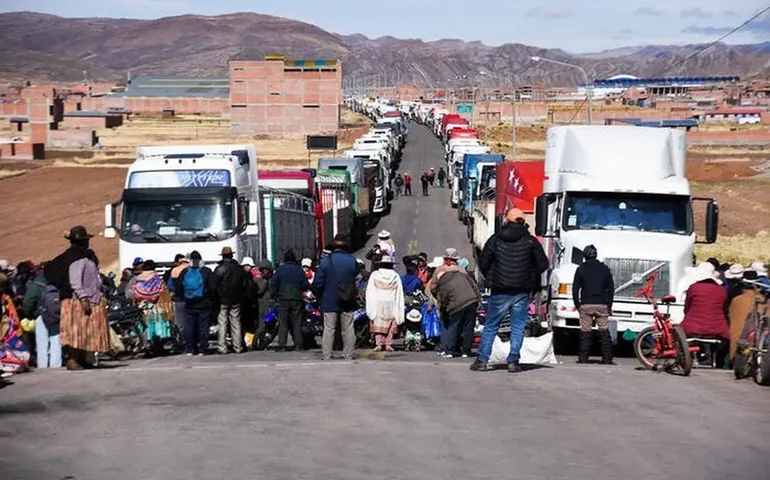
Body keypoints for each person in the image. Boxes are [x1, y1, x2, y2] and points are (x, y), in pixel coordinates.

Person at [473, 208, 548, 372]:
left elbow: (483, 262)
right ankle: (513, 360)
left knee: (491, 326)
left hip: (500, 289)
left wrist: (492, 277)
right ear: (523, 222)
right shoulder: (530, 241)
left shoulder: (495, 240)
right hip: (522, 290)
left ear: (506, 220)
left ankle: (482, 360)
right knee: (518, 327)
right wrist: (530, 276)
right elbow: (543, 264)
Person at [44, 226, 110, 370]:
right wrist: (83, 298)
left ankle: (82, 359)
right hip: (77, 300)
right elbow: (75, 281)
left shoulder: (86, 257)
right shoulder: (76, 259)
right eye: (85, 240)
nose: (87, 242)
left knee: (84, 331)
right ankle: (72, 360)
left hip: (86, 298)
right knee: (75, 331)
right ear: (79, 241)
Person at [314, 234, 360, 360]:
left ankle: (327, 355)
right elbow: (355, 274)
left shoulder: (325, 261)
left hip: (329, 299)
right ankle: (348, 354)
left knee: (329, 329)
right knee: (348, 328)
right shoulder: (352, 261)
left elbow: (318, 282)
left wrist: (319, 294)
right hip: (348, 299)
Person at [572, 245, 615, 364]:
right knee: (604, 331)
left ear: (585, 256)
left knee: (585, 332)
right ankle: (607, 358)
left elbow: (575, 289)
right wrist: (609, 305)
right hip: (601, 304)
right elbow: (610, 288)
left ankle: (583, 358)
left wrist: (577, 304)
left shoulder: (581, 269)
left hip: (586, 304)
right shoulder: (605, 269)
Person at [433, 265, 480, 358]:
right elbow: (474, 286)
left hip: (456, 306)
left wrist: (443, 310)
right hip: (471, 302)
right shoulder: (462, 275)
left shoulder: (443, 284)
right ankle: (466, 351)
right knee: (468, 327)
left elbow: (443, 301)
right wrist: (478, 299)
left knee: (453, 327)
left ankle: (450, 351)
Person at [174, 250, 216, 356]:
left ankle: (190, 349)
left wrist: (185, 296)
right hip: (204, 303)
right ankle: (203, 349)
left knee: (189, 326)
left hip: (189, 304)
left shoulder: (185, 272)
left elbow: (178, 288)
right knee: (203, 327)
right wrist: (209, 298)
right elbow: (212, 287)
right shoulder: (206, 271)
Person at [270, 250, 310, 351]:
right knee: (297, 322)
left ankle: (282, 345)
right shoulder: (299, 270)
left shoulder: (280, 270)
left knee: (283, 323)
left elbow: (273, 284)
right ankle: (298, 344)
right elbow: (305, 285)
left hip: (282, 299)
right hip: (296, 299)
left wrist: (274, 295)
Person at [680, 262, 729, 341]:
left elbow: (687, 308)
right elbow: (725, 310)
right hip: (718, 328)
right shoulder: (722, 290)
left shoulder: (693, 288)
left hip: (692, 327)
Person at [366, 256, 404, 352]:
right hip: (391, 302)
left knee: (378, 323)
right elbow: (399, 291)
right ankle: (388, 344)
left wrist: (370, 304)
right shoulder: (395, 276)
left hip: (378, 302)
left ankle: (379, 344)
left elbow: (370, 290)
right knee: (390, 323)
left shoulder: (375, 275)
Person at [133, 260, 173, 350]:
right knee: (156, 325)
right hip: (156, 306)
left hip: (143, 307)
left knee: (146, 325)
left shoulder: (138, 280)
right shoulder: (158, 280)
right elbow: (164, 294)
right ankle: (158, 344)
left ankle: (146, 344)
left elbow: (135, 295)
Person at [213, 246, 246, 354]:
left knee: (222, 323)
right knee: (236, 323)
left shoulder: (220, 269)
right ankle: (238, 346)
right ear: (232, 255)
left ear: (223, 256)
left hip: (222, 300)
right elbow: (244, 284)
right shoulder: (239, 269)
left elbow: (213, 285)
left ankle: (222, 347)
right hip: (236, 299)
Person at [729, 269, 757, 362]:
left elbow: (731, 317)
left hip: (738, 341)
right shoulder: (764, 301)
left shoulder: (737, 300)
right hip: (757, 341)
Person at [252, 260, 274, 347]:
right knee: (262, 325)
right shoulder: (259, 280)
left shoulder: (271, 279)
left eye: (266, 270)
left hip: (270, 306)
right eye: (263, 270)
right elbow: (259, 291)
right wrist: (265, 281)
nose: (265, 272)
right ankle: (255, 342)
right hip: (262, 306)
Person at [168, 255, 189, 335]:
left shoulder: (175, 270)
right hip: (192, 299)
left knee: (179, 321)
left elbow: (170, 286)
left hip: (178, 299)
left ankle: (180, 337)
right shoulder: (193, 269)